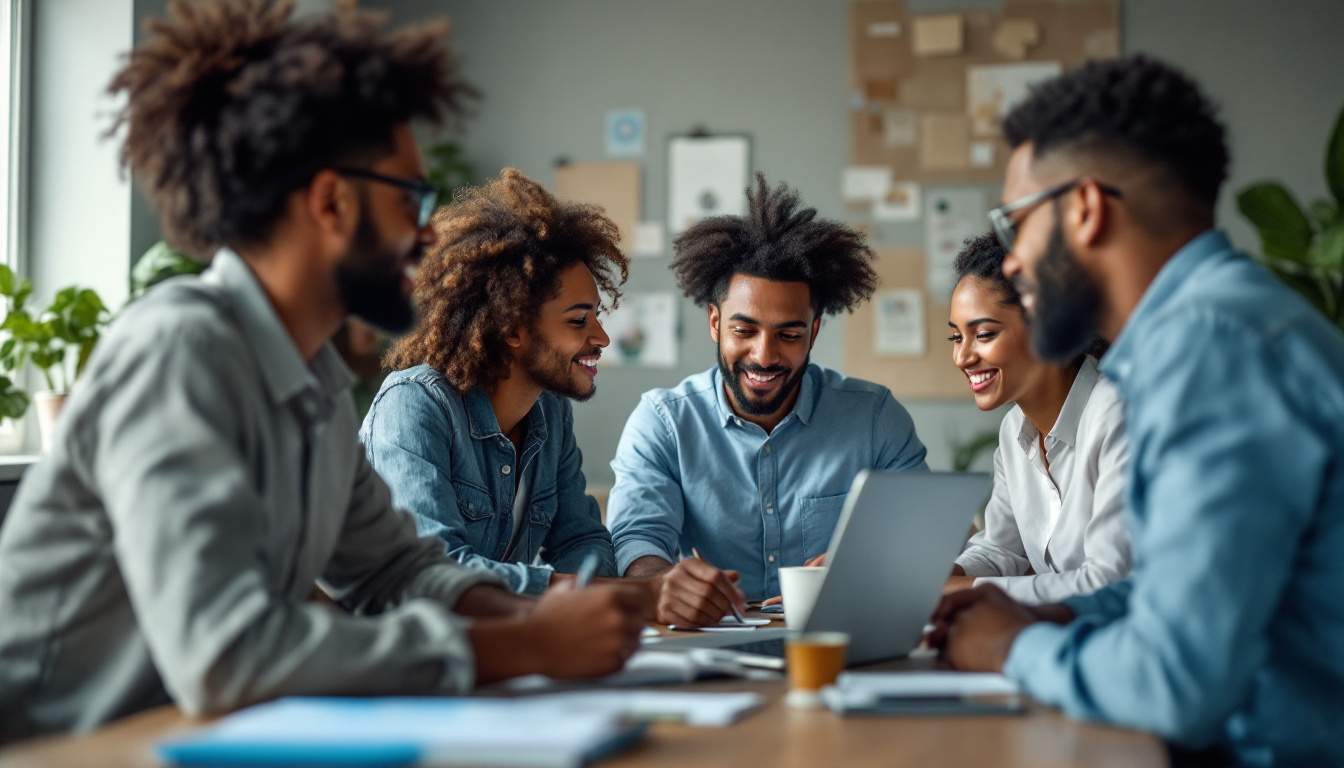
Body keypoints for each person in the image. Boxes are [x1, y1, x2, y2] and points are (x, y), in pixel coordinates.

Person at [0, 0, 645, 741]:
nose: (429, 233)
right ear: (332, 201)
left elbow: (392, 571)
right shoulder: (181, 351)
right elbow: (225, 655)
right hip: (59, 750)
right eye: (413, 197)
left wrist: (545, 615)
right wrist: (525, 644)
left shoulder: (313, 382)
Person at [929, 55, 1344, 765]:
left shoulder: (1210, 348)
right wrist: (1052, 611)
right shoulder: (1215, 328)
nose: (1015, 261)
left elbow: (1175, 680)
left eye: (1016, 223)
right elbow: (1168, 596)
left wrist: (1015, 646)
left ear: (1086, 209)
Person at [607, 175, 928, 627]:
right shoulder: (663, 421)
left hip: (839, 633)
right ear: (715, 323)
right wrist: (662, 584)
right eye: (744, 330)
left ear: (814, 331)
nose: (764, 354)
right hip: (708, 641)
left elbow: (921, 535)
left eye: (789, 334)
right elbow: (638, 537)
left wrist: (869, 567)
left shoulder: (875, 418)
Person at [361, 169, 626, 595]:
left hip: (503, 645)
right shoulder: (413, 406)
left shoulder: (550, 411)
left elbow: (582, 540)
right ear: (512, 329)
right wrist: (600, 594)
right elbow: (438, 569)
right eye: (579, 320)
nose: (602, 338)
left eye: (597, 315)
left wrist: (604, 598)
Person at [946, 233, 1130, 603]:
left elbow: (1110, 581)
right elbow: (1001, 550)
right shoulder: (1013, 430)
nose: (963, 357)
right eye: (955, 337)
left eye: (983, 334)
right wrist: (941, 575)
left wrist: (970, 590)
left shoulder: (1116, 414)